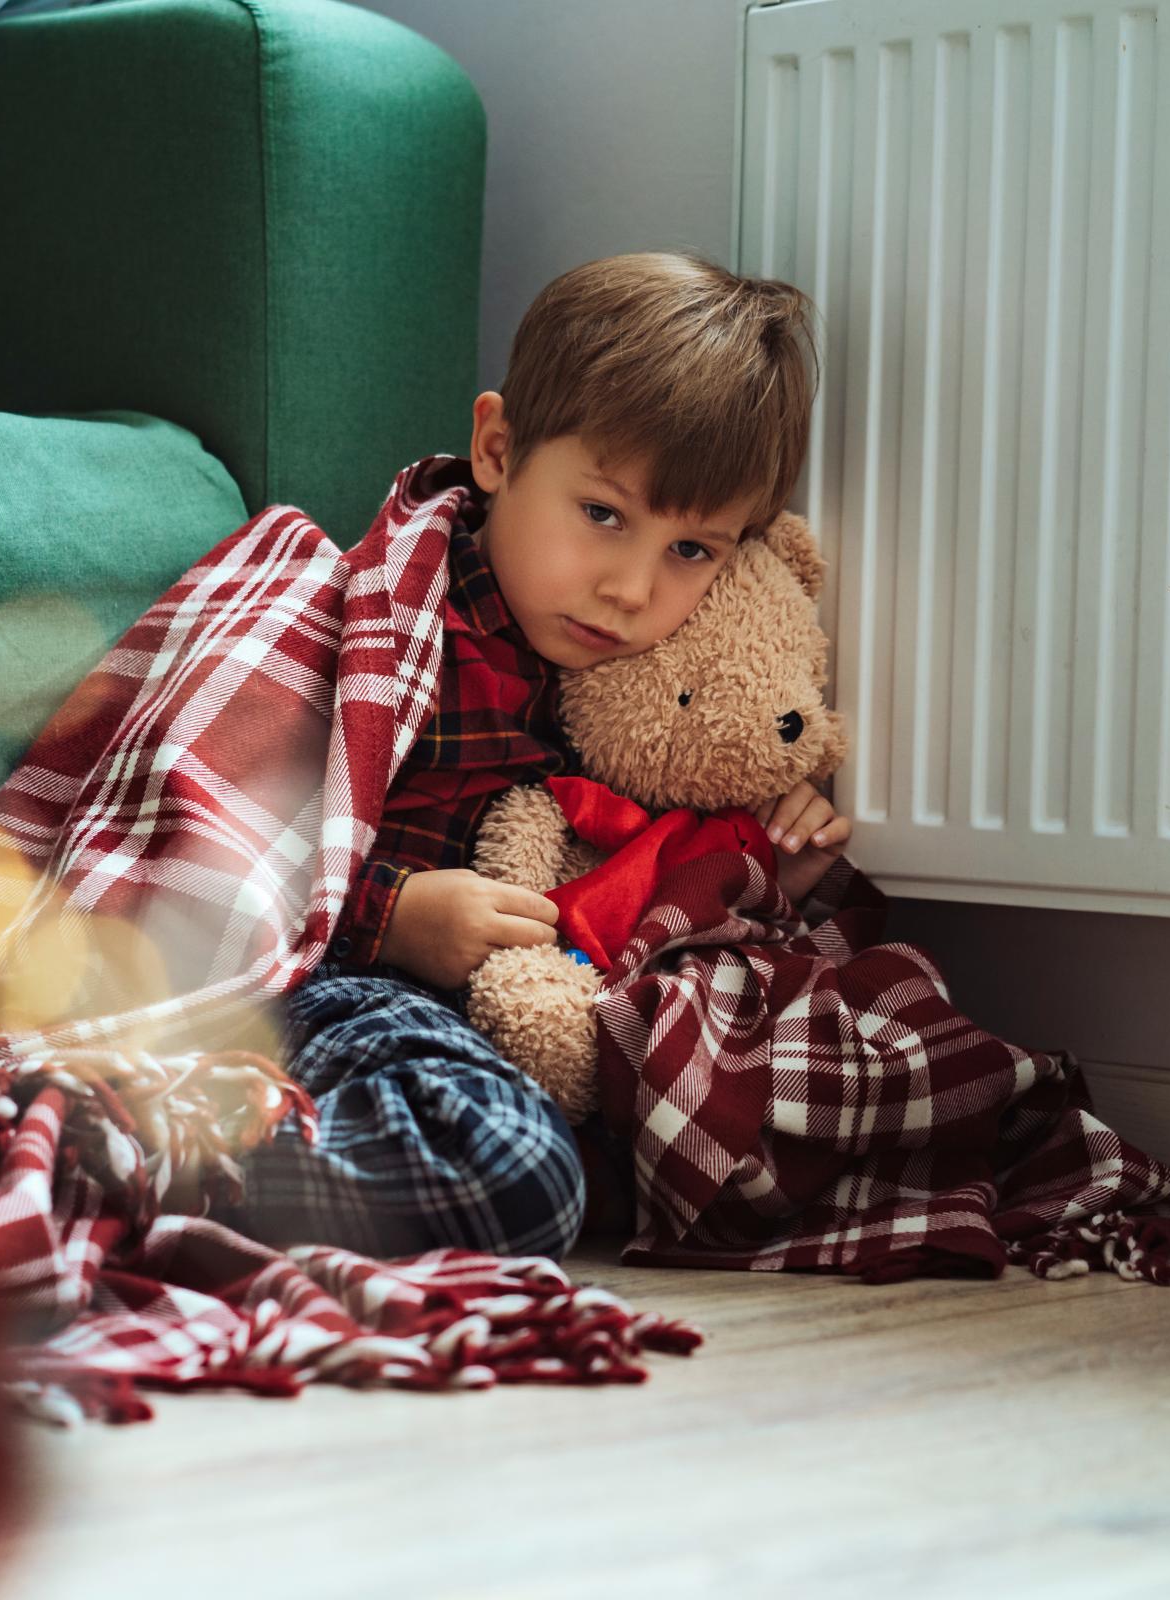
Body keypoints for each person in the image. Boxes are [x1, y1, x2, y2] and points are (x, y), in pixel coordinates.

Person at [210, 251, 845, 1262]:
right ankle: (161, 1146)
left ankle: (218, 1152)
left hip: (513, 1027)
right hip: (329, 992)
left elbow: (633, 868)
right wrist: (390, 916)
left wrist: (761, 861)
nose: (632, 589)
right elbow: (226, 848)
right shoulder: (392, 624)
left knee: (734, 1148)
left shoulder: (645, 677)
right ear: (498, 448)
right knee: (519, 1175)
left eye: (693, 550)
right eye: (603, 514)